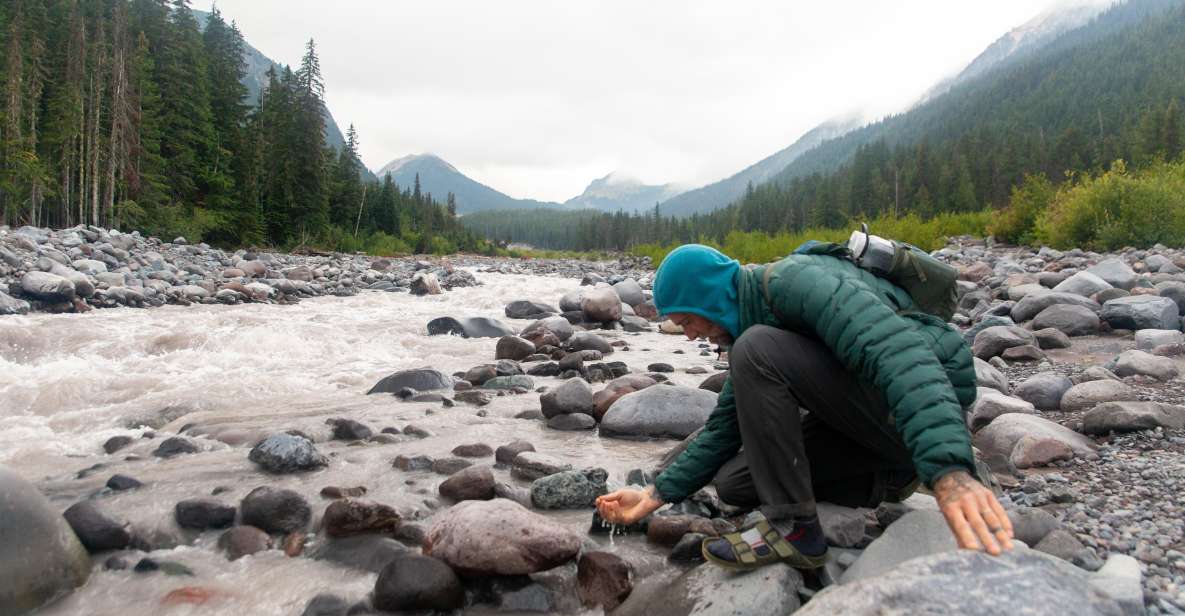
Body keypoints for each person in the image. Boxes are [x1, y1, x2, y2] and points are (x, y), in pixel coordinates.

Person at [595, 244, 1013, 570]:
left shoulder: (796, 284)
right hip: (873, 419)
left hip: (917, 397)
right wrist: (654, 494)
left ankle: (796, 531)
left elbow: (897, 354)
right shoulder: (752, 318)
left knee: (756, 349)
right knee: (736, 484)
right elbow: (725, 427)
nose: (688, 337)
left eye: (688, 322)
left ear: (709, 300)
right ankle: (884, 478)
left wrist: (949, 470)